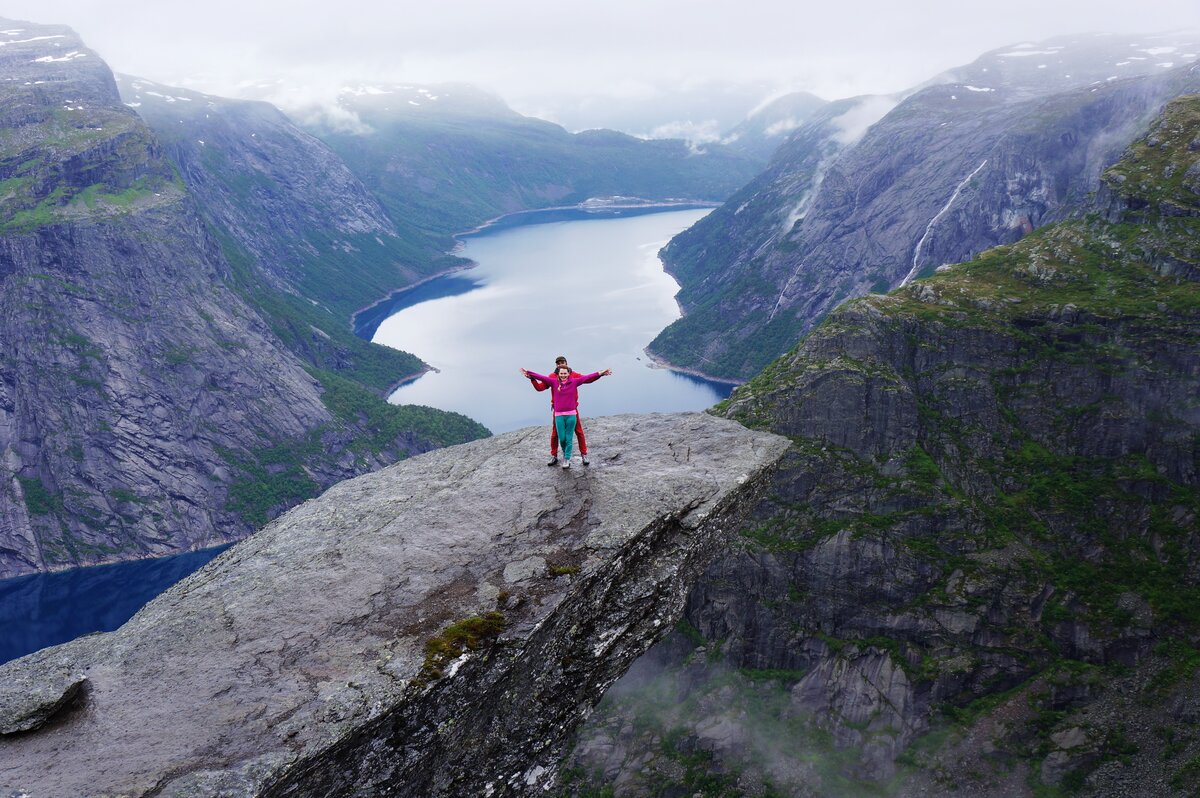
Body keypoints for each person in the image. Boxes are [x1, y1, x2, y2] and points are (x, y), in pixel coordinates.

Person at [519, 365, 612, 469]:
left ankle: (567, 459)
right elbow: (541, 377)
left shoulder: (574, 382)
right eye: (561, 373)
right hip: (558, 415)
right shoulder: (553, 382)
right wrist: (530, 373)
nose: (563, 375)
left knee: (569, 438)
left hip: (571, 415)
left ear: (568, 373)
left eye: (565, 373)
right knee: (562, 438)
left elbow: (587, 377)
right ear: (558, 374)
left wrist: (601, 373)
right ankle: (564, 454)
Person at [527, 355, 589, 466]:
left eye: (563, 362)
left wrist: (600, 374)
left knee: (579, 431)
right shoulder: (552, 377)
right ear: (556, 365)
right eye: (558, 363)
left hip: (572, 409)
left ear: (566, 364)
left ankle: (584, 454)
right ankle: (554, 456)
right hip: (558, 410)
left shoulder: (573, 375)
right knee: (555, 434)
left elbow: (586, 379)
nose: (560, 364)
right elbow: (540, 388)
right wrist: (532, 379)